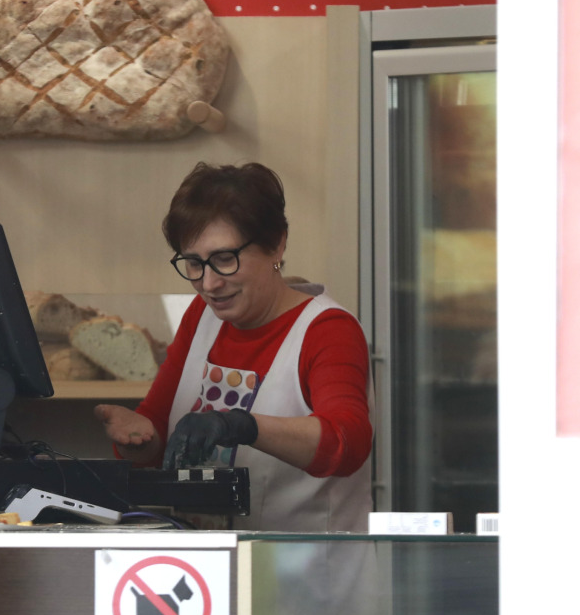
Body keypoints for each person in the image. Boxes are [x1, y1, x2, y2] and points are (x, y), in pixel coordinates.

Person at [94, 162, 373, 533]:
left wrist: (244, 425)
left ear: (276, 244)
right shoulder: (202, 317)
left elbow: (348, 443)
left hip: (306, 565)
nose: (209, 284)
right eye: (194, 263)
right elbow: (158, 430)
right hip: (209, 559)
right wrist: (136, 438)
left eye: (225, 259)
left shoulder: (326, 329)